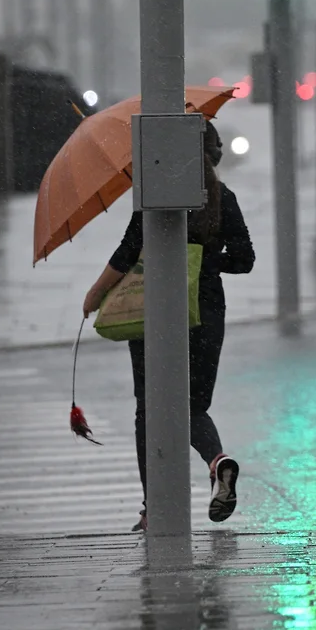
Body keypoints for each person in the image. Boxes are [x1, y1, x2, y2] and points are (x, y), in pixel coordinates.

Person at [83, 122, 255, 532]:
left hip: (156, 309)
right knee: (193, 405)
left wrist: (94, 295)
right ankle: (216, 460)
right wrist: (204, 261)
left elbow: (127, 252)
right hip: (207, 309)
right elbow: (245, 258)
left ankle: (153, 507)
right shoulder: (222, 197)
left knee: (151, 408)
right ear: (214, 154)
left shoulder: (156, 200)